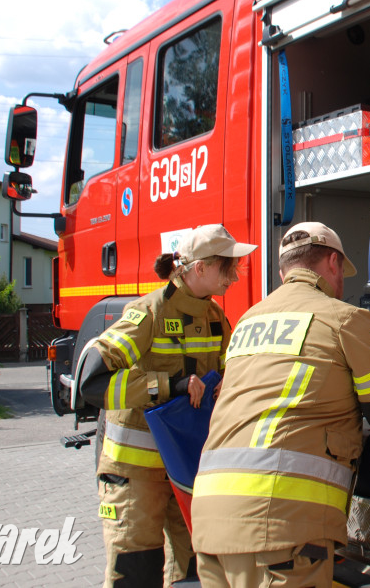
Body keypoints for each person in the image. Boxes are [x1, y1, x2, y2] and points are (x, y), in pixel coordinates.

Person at [191, 222, 370, 588]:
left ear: (283, 273)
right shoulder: (344, 318)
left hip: (210, 521)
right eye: (341, 273)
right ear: (333, 263)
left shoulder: (247, 320)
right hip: (279, 526)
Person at [79, 224, 257, 588]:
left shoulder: (214, 318)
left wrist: (228, 381)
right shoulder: (148, 312)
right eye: (229, 267)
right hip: (135, 473)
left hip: (185, 465)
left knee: (195, 570)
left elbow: (228, 369)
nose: (236, 276)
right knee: (136, 572)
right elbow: (91, 381)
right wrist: (166, 386)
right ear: (200, 268)